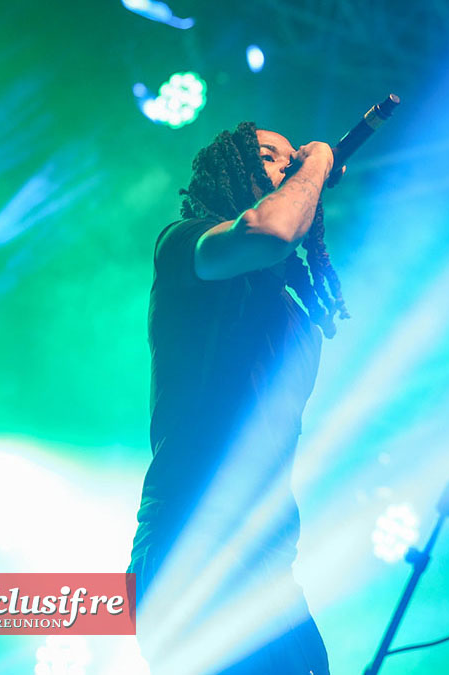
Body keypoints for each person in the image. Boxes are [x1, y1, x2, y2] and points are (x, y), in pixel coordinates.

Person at [128, 122, 346, 674]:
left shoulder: (289, 300)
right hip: (192, 538)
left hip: (266, 560)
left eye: (293, 157)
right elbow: (270, 231)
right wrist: (318, 160)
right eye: (271, 155)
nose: (290, 163)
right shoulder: (185, 243)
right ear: (231, 170)